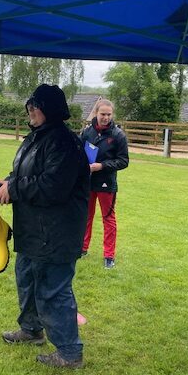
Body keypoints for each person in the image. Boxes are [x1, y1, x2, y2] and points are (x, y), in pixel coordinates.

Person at [0, 84, 90, 369]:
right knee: (27, 280)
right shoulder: (35, 138)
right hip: (33, 229)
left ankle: (70, 353)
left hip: (56, 232)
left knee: (52, 290)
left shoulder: (63, 142)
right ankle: (32, 330)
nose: (31, 110)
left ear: (51, 109)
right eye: (30, 105)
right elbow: (22, 173)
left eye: (37, 106)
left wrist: (15, 188)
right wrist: (5, 185)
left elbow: (54, 187)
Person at [80, 99, 129, 269]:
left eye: (109, 114)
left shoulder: (118, 135)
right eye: (103, 114)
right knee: (86, 216)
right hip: (87, 182)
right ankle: (82, 248)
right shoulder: (87, 132)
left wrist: (102, 166)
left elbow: (123, 161)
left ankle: (109, 255)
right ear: (96, 113)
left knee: (108, 219)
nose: (106, 117)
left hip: (106, 183)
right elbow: (79, 153)